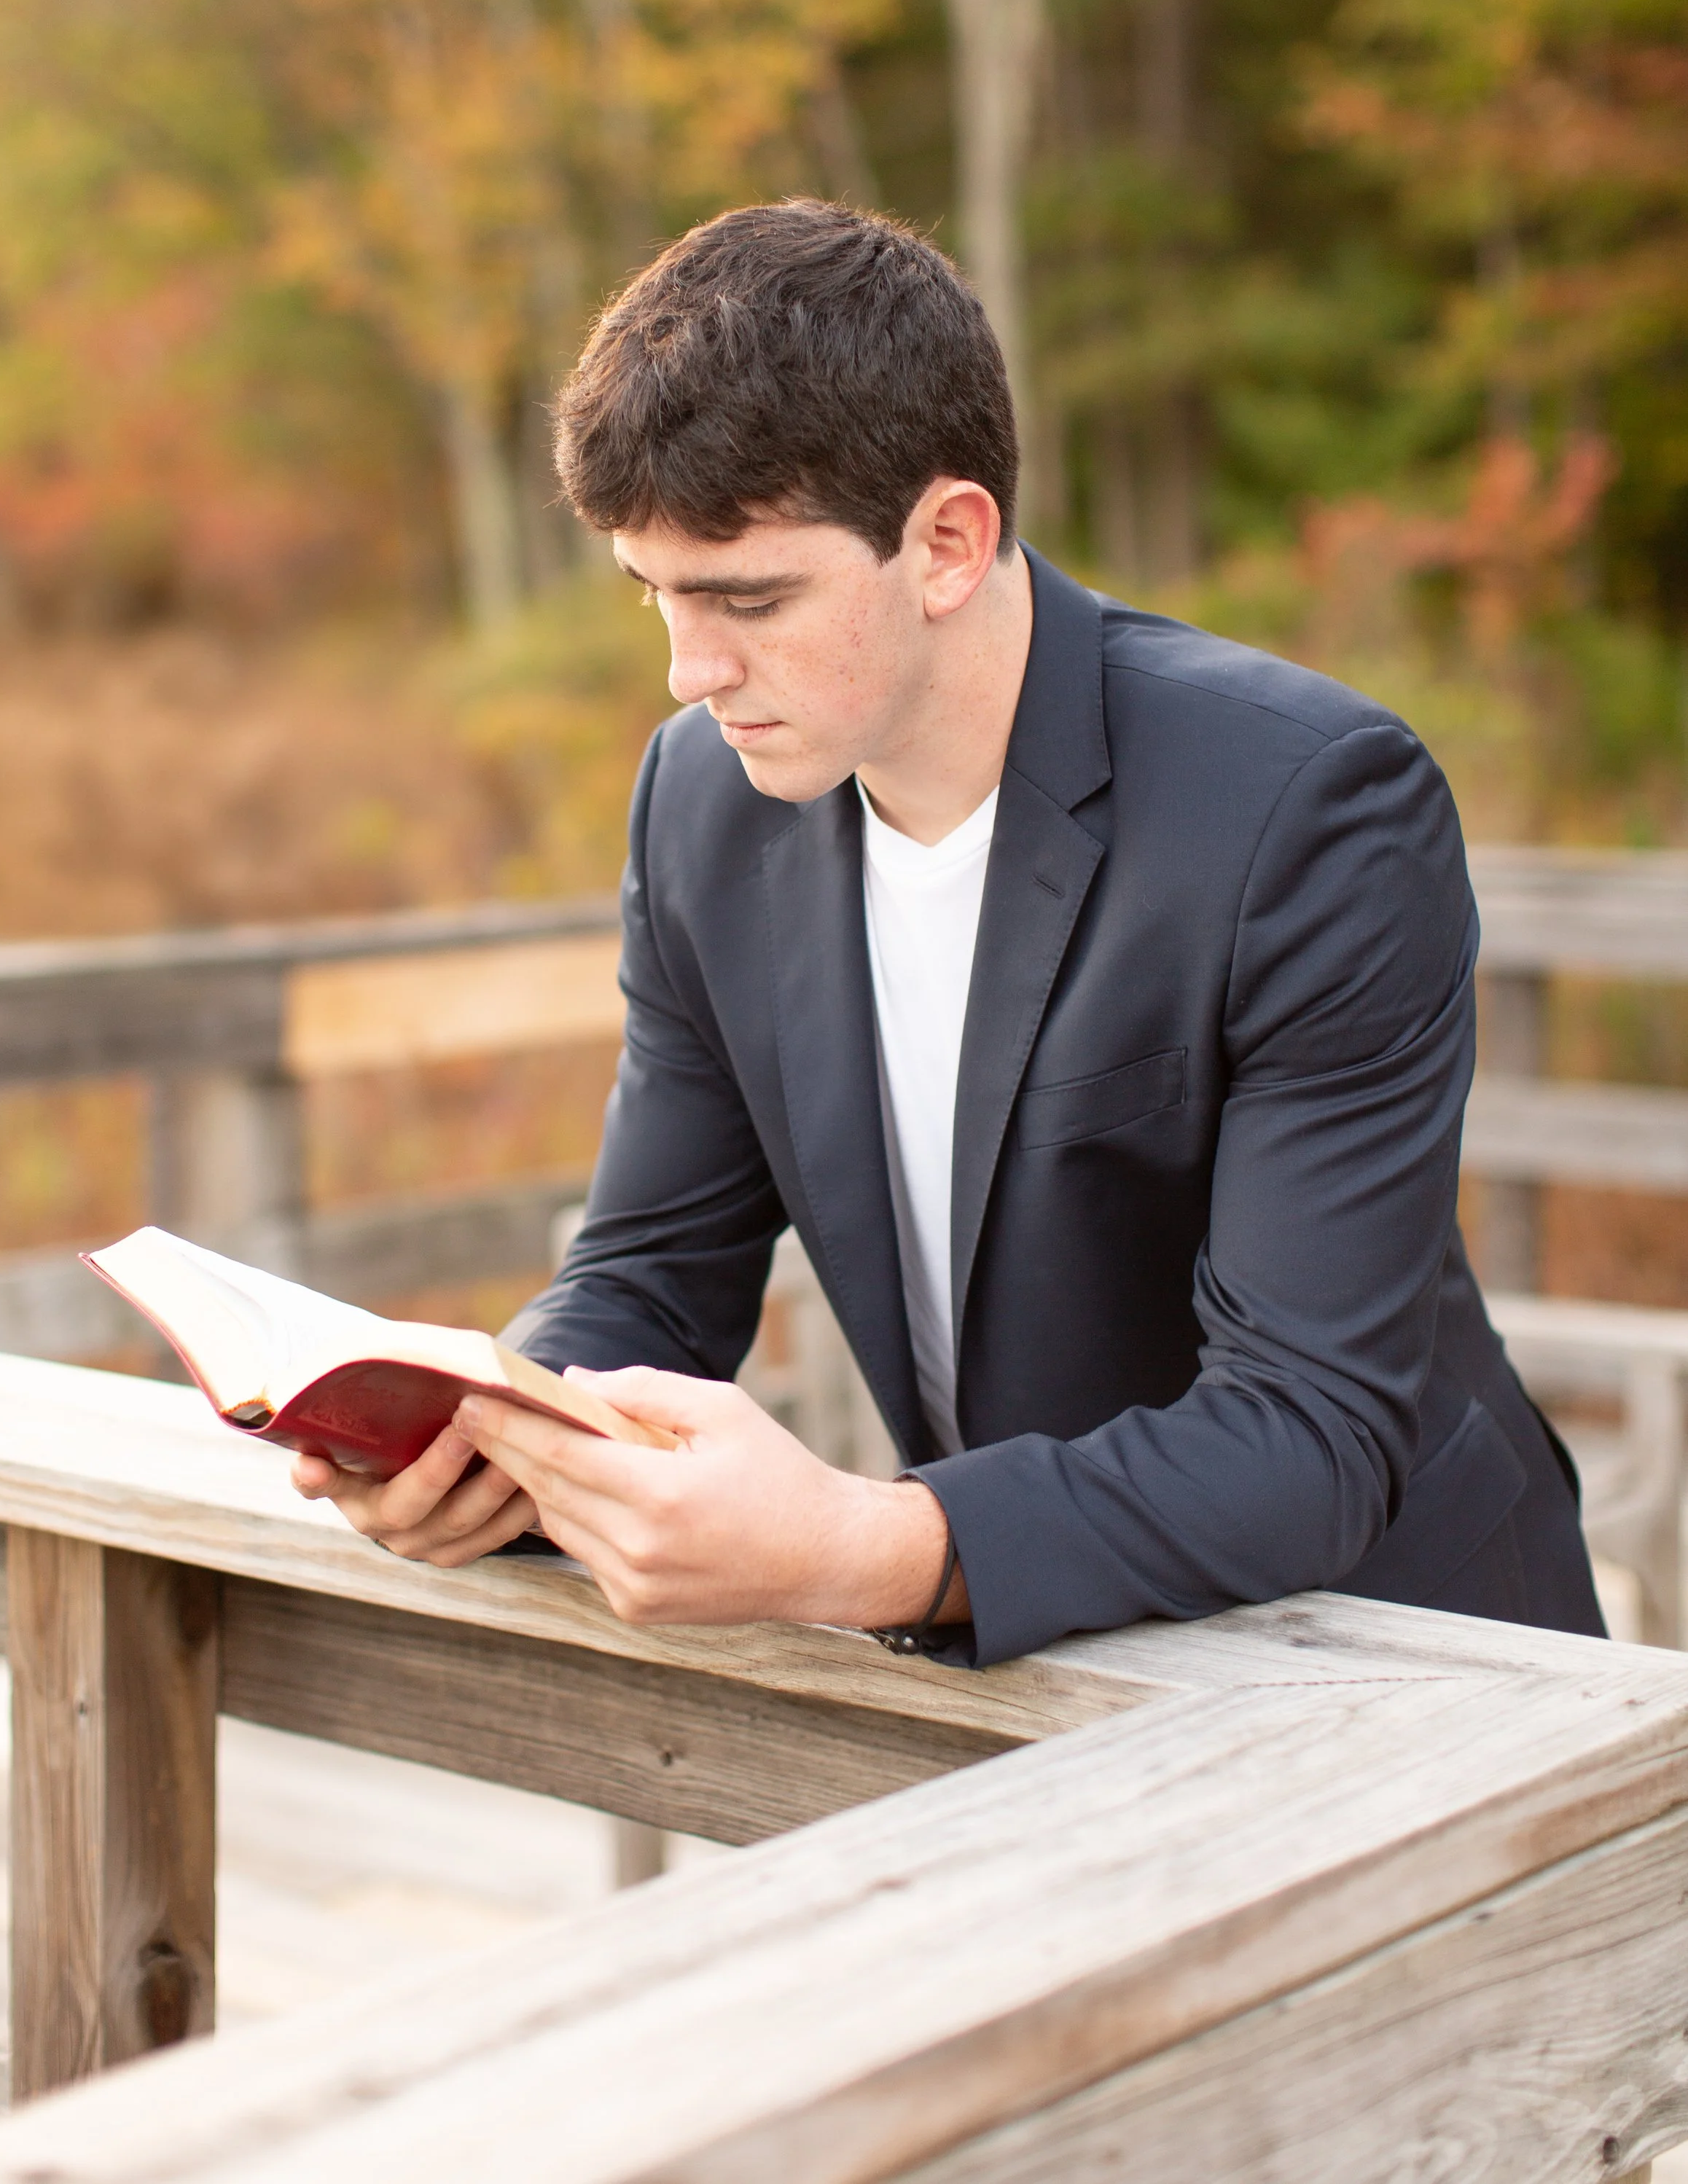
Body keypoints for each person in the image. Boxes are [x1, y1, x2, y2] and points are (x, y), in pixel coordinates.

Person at [292, 199, 1602, 1664]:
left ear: (945, 542)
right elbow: (654, 1268)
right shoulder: (700, 800)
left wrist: (861, 1544)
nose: (684, 671)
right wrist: (496, 1441)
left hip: (1414, 1667)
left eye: (747, 599)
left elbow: (1305, 1428)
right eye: (652, 597)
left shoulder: (1307, 813)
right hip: (1043, 1662)